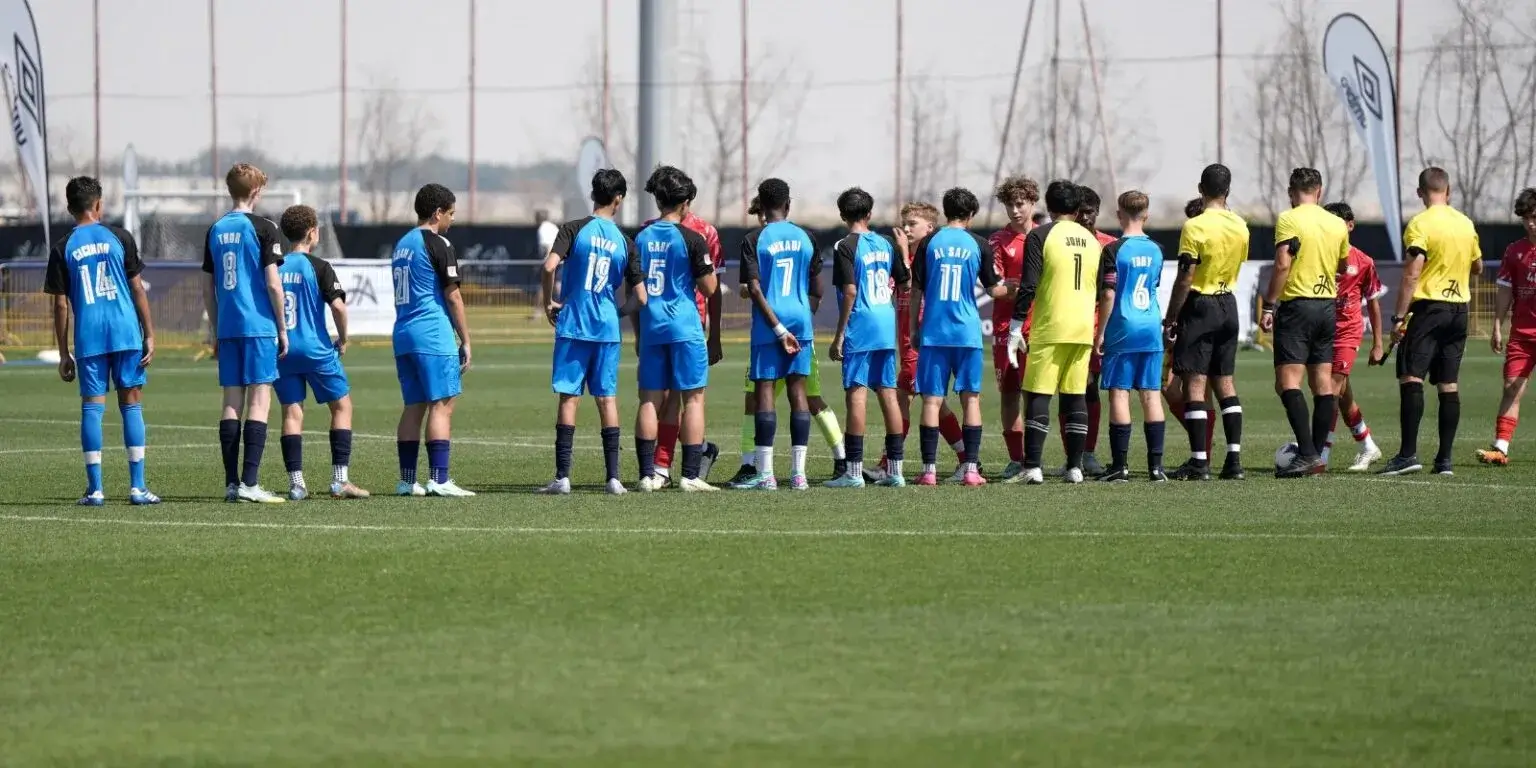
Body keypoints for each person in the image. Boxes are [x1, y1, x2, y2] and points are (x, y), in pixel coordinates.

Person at [44, 175, 159, 506]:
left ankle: (95, 490)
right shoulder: (120, 237)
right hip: (125, 333)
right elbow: (138, 288)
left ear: (69, 208)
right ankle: (138, 488)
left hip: (89, 336)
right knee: (131, 404)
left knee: (92, 408)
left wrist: (64, 352)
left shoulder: (63, 247)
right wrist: (149, 333)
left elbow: (61, 303)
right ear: (99, 204)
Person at [539, 169, 641, 496]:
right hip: (607, 329)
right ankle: (613, 478)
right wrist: (617, 313)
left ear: (592, 194)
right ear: (618, 198)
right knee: (606, 398)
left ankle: (563, 478)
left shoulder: (573, 229)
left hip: (574, 323)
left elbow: (548, 266)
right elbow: (640, 297)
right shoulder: (626, 242)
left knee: (570, 398)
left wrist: (548, 302)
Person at [1379, 167, 1481, 477]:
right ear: (1448, 192)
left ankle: (1408, 455)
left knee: (1411, 378)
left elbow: (1412, 272)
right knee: (1448, 383)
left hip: (1428, 309)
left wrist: (1397, 317)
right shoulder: (1465, 223)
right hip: (1459, 310)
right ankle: (1444, 460)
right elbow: (1477, 266)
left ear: (1420, 192)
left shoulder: (1420, 224)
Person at [1006, 180, 1104, 485]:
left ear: (1048, 206)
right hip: (1082, 328)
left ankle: (1033, 467)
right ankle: (1074, 467)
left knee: (1038, 394)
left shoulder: (1040, 235)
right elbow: (1099, 289)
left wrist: (1014, 326)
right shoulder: (1091, 240)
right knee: (1075, 396)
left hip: (1050, 326)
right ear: (1077, 208)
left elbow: (1029, 284)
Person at [862, 201, 967, 484]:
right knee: (935, 403)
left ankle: (888, 464)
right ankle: (968, 459)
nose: (906, 229)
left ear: (930, 228)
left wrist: (903, 255)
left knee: (902, 399)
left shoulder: (934, 254)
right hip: (908, 342)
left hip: (922, 341)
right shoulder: (905, 255)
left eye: (913, 224)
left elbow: (912, 286)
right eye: (904, 223)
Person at [204, 163, 288, 503]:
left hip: (228, 327)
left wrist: (214, 328)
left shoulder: (215, 228)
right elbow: (272, 284)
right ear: (255, 191)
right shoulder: (265, 227)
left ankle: (231, 483)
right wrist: (282, 327)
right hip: (258, 326)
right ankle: (251, 484)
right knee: (260, 398)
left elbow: (206, 289)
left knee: (231, 401)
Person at [273, 204, 369, 500]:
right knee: (342, 406)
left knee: (292, 412)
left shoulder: (274, 266)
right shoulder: (319, 267)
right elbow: (338, 306)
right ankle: (340, 480)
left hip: (283, 351)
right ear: (313, 232)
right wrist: (343, 338)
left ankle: (296, 484)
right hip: (316, 350)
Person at [632, 166, 719, 492]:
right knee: (693, 399)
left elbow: (634, 291)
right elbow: (709, 288)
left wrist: (640, 335)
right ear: (684, 204)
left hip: (652, 327)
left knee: (650, 400)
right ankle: (691, 475)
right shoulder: (692, 239)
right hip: (684, 327)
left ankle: (648, 473)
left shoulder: (640, 238)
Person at [914, 187, 1007, 487]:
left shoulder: (928, 242)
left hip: (934, 332)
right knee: (971, 400)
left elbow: (916, 290)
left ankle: (929, 471)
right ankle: (970, 470)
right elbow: (994, 290)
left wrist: (916, 328)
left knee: (931, 401)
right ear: (970, 215)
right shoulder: (978, 244)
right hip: (967, 333)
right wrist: (1018, 287)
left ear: (945, 211)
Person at [1260, 167, 1348, 478]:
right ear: (1320, 191)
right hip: (1326, 307)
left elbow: (1283, 263)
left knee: (1287, 382)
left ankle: (1308, 453)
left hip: (1298, 305)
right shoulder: (1337, 223)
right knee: (1322, 384)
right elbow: (1344, 264)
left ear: (1290, 191)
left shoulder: (1289, 218)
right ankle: (1316, 456)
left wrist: (1269, 304)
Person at [735, 178, 821, 491]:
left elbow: (754, 287)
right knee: (799, 392)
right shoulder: (807, 237)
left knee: (766, 391)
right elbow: (816, 289)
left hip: (770, 323)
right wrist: (800, 322)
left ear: (762, 203)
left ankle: (767, 474)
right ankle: (799, 475)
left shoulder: (754, 238)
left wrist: (778, 327)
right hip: (801, 321)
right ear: (788, 204)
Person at [1164, 164, 1249, 481]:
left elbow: (1186, 277)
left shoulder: (1194, 226)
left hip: (1201, 304)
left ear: (1201, 188)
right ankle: (1234, 461)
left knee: (1195, 385)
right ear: (1228, 190)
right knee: (1226, 383)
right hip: (1229, 303)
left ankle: (1199, 462)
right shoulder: (1241, 225)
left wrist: (1172, 316)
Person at [391, 183, 475, 497]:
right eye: (451, 213)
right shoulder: (437, 242)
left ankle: (407, 481)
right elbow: (453, 297)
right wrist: (465, 339)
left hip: (403, 334)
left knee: (413, 406)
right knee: (442, 404)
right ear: (437, 212)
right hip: (432, 334)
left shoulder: (401, 244)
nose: (452, 220)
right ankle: (439, 479)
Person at [826, 187, 910, 488]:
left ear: (842, 215)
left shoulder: (844, 246)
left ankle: (853, 473)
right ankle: (896, 471)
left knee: (856, 395)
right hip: (886, 322)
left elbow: (849, 291)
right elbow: (904, 281)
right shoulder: (886, 242)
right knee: (888, 393)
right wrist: (903, 251)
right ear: (870, 214)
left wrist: (839, 335)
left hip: (861, 325)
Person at [1094, 190, 1168, 482]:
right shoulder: (1158, 249)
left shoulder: (1113, 250)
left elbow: (1109, 293)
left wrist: (1100, 332)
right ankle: (1155, 468)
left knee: (1120, 393)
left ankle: (1120, 466)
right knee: (1151, 394)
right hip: (1151, 327)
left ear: (1118, 214)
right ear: (1146, 215)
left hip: (1123, 327)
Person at [1320, 202, 1386, 470]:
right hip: (1322, 332)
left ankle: (1320, 454)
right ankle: (1367, 445)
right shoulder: (1318, 256)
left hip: (1348, 332)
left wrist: (1378, 343)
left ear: (1350, 225)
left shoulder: (1363, 262)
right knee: (1342, 392)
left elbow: (1373, 302)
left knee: (1331, 391)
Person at [1478, 188, 1536, 466]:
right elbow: (1504, 290)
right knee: (1511, 385)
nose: (1530, 223)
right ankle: (1500, 447)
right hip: (1522, 334)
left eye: (1534, 217)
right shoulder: (1515, 251)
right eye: (1526, 218)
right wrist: (1497, 326)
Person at [988, 176, 1040, 482]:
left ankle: (1034, 459)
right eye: (1009, 204)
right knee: (1009, 393)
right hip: (1006, 329)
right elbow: (995, 288)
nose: (1015, 210)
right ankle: (1015, 459)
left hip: (1041, 328)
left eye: (1020, 203)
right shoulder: (998, 240)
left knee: (1036, 395)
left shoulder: (1046, 237)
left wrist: (1015, 286)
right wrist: (1029, 287)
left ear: (1033, 202)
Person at [1163, 197, 1219, 460]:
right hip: (1188, 320)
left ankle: (1203, 450)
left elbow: (1186, 281)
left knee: (1200, 389)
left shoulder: (1205, 241)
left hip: (1200, 318)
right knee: (1172, 389)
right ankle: (1202, 439)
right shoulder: (1193, 240)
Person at [1066, 187, 1115, 477]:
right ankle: (1071, 454)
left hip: (1098, 325)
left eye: (1090, 211)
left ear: (1097, 212)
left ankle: (1088, 453)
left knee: (1089, 387)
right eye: (1080, 211)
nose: (1085, 217)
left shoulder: (1109, 245)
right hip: (1066, 323)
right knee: (1068, 389)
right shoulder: (1060, 241)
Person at [531, 209, 560, 321]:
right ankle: (565, 308)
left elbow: (547, 246)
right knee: (557, 284)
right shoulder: (552, 226)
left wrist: (548, 261)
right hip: (560, 259)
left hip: (551, 260)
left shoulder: (543, 228)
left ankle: (538, 311)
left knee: (543, 285)